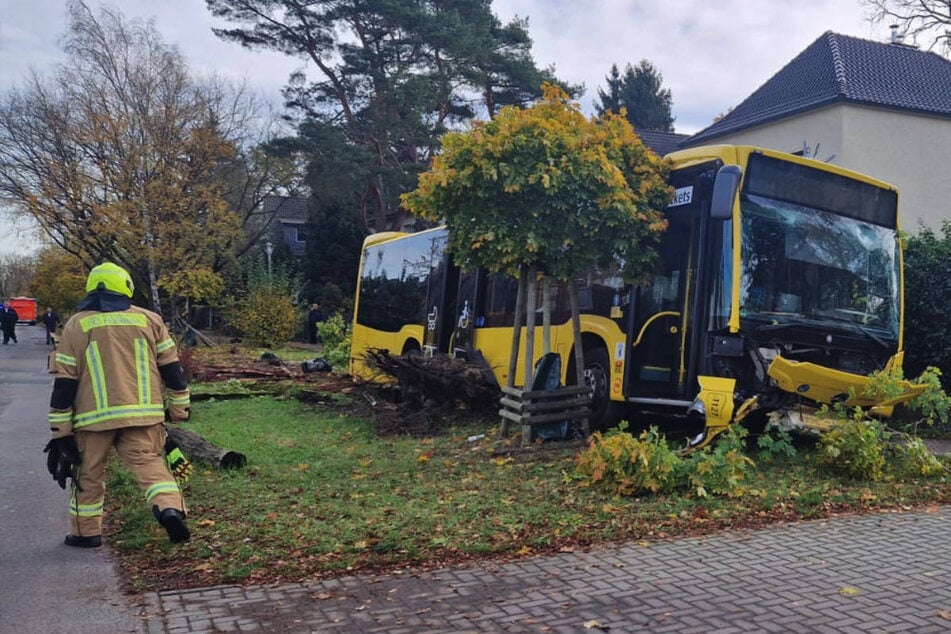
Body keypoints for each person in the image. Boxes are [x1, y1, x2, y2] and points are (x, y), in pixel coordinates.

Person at [47, 262, 191, 548]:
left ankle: (86, 533)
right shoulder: (150, 320)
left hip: (92, 420)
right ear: (126, 286)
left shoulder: (77, 324)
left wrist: (60, 431)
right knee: (151, 468)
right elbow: (173, 371)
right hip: (144, 415)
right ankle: (169, 510)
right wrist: (178, 409)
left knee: (87, 475)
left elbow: (65, 383)